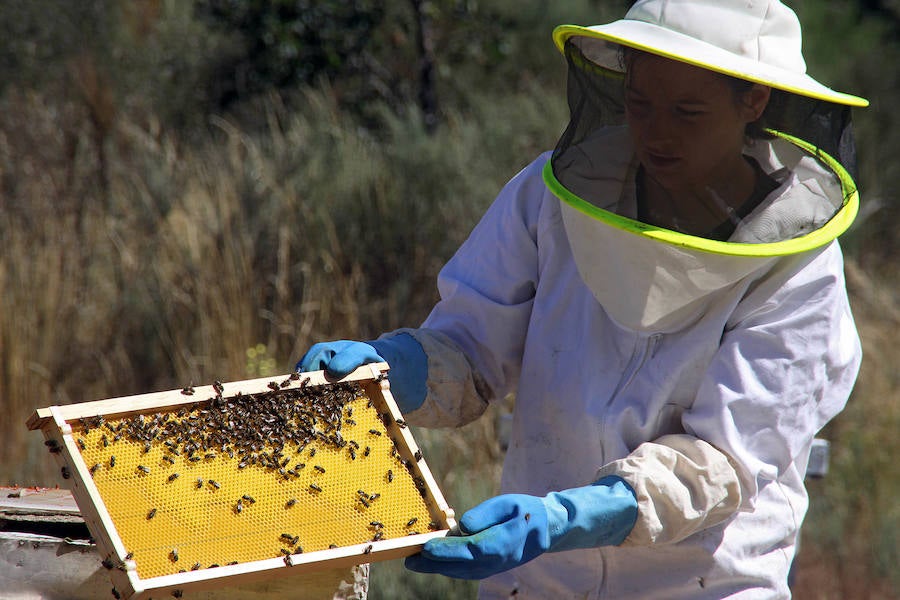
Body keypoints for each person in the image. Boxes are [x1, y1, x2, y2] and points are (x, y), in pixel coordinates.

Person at [298, 0, 868, 597]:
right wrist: (394, 370)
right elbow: (470, 348)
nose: (657, 132)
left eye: (687, 111)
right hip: (540, 583)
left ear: (753, 101)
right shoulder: (552, 197)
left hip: (701, 584)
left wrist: (565, 519)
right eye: (640, 102)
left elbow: (723, 460)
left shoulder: (800, 268)